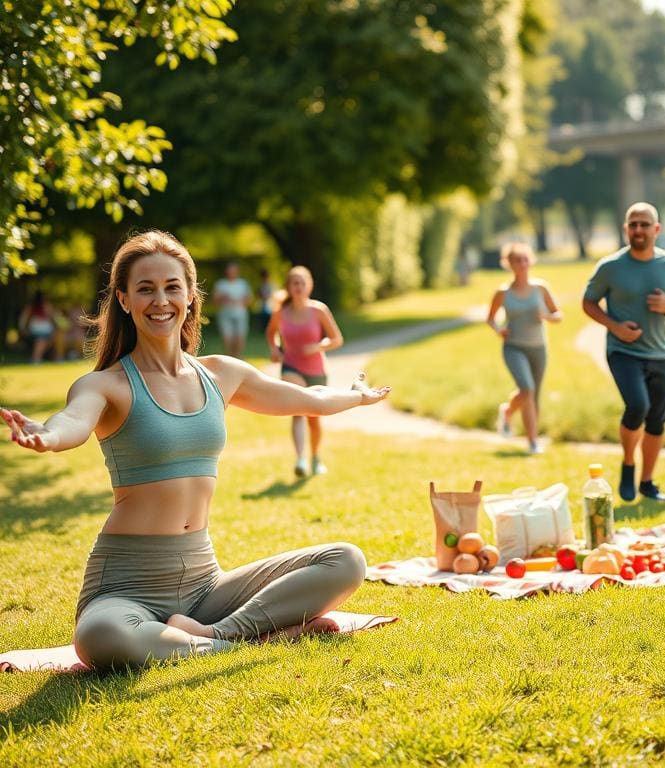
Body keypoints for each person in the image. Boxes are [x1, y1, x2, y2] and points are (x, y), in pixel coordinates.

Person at [0, 231, 389, 670]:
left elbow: (307, 398)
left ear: (189, 295)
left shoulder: (221, 374)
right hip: (126, 587)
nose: (160, 300)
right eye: (145, 289)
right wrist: (47, 435)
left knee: (345, 561)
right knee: (99, 636)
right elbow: (72, 421)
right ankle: (255, 638)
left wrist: (356, 396)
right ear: (124, 300)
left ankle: (215, 635)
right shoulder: (106, 384)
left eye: (171, 287)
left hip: (205, 586)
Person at [582, 202, 665, 502]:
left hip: (659, 353)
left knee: (657, 420)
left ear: (656, 229)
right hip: (623, 350)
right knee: (637, 406)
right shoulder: (610, 267)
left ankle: (647, 482)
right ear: (625, 229)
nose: (638, 230)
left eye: (645, 224)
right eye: (633, 224)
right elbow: (589, 303)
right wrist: (615, 327)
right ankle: (628, 463)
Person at [266, 266, 344, 476]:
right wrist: (275, 349)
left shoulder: (318, 310)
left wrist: (319, 346)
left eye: (302, 283)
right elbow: (271, 333)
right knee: (298, 412)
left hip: (316, 369)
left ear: (309, 285)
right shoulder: (281, 313)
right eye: (294, 283)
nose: (299, 287)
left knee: (314, 418)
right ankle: (300, 459)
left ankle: (316, 458)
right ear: (289, 287)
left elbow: (337, 339)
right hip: (291, 366)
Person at [486, 243, 562, 455]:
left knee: (533, 395)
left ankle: (530, 440)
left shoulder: (541, 288)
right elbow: (490, 319)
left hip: (538, 348)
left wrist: (546, 316)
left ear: (531, 261)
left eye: (525, 259)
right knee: (526, 388)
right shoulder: (503, 293)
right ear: (508, 264)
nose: (522, 264)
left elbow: (558, 315)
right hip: (513, 347)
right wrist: (499, 330)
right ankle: (514, 418)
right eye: (517, 260)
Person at [213, 262, 252, 358]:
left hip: (240, 314)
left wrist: (241, 301)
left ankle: (238, 358)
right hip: (225, 315)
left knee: (240, 339)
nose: (232, 272)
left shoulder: (243, 284)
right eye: (230, 270)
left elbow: (249, 299)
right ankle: (229, 358)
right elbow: (215, 301)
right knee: (227, 339)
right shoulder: (221, 284)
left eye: (233, 270)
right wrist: (223, 298)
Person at [18, 289, 58, 364]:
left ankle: (56, 357)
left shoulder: (46, 306)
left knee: (51, 339)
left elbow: (53, 318)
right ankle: (36, 358)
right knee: (41, 341)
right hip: (37, 332)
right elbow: (23, 319)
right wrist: (23, 330)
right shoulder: (31, 306)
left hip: (47, 332)